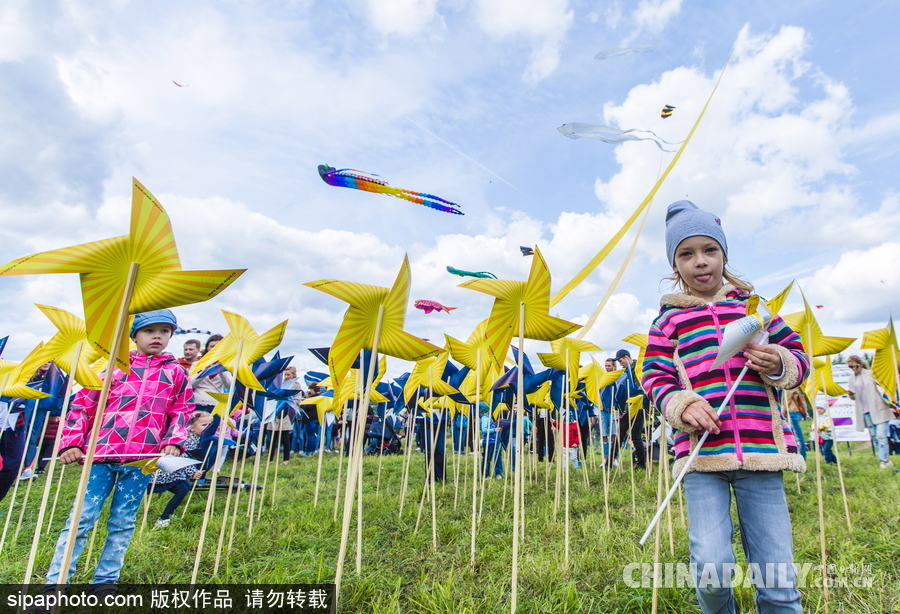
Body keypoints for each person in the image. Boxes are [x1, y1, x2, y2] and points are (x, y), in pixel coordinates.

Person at [642, 200, 809, 614]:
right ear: (675, 264)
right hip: (702, 458)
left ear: (723, 254)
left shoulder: (756, 310)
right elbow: (653, 377)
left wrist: (779, 363)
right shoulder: (668, 322)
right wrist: (681, 404)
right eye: (686, 253)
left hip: (762, 455)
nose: (700, 262)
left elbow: (798, 357)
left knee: (777, 578)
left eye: (709, 250)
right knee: (712, 570)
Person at [45, 309, 193, 589]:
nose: (157, 336)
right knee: (81, 518)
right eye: (149, 330)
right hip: (100, 455)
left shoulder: (176, 373)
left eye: (164, 331)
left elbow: (181, 410)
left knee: (123, 520)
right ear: (134, 334)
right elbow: (83, 405)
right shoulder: (113, 366)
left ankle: (105, 580)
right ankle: (57, 580)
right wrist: (73, 442)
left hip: (141, 461)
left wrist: (174, 441)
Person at [151, 412, 210, 527]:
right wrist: (192, 472)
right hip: (166, 472)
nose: (207, 428)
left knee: (184, 488)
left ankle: (168, 513)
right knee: (182, 489)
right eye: (204, 425)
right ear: (192, 428)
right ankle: (163, 518)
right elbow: (182, 457)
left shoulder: (193, 438)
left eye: (209, 425)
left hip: (174, 472)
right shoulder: (187, 439)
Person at [845, 355, 896, 469]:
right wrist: (851, 395)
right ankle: (883, 458)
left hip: (879, 408)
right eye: (850, 367)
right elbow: (853, 398)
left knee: (881, 435)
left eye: (855, 366)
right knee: (874, 437)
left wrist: (891, 402)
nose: (853, 369)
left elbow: (884, 388)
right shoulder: (851, 379)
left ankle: (884, 460)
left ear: (861, 364)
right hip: (865, 411)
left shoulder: (871, 374)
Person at [609, 349, 648, 469]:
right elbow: (624, 391)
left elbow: (636, 390)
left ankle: (642, 464)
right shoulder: (625, 372)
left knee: (636, 436)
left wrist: (626, 408)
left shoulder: (638, 367)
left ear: (626, 357)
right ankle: (610, 461)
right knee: (619, 433)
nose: (620, 364)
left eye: (621, 361)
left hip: (638, 406)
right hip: (626, 406)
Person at [781, 387, 809, 460]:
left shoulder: (790, 387)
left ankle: (802, 457)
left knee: (797, 436)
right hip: (796, 413)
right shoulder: (796, 387)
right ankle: (798, 455)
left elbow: (787, 400)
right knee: (796, 436)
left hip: (792, 412)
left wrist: (783, 410)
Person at [479, 403, 503, 478]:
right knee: (487, 458)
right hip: (488, 441)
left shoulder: (489, 418)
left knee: (496, 457)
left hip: (494, 440)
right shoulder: (484, 419)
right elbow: (484, 430)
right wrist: (494, 430)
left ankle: (498, 473)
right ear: (487, 411)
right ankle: (486, 475)